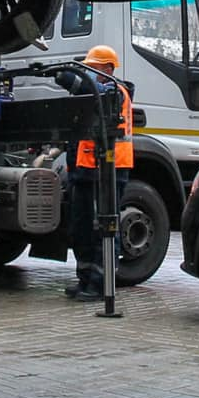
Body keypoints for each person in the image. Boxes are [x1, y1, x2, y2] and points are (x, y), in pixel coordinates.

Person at [61, 43, 132, 301]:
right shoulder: (93, 94)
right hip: (87, 170)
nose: (89, 74)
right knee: (82, 228)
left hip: (109, 170)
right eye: (86, 70)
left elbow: (96, 93)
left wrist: (71, 79)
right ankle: (85, 280)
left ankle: (101, 284)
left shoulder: (116, 91)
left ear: (108, 69)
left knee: (103, 227)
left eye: (93, 69)